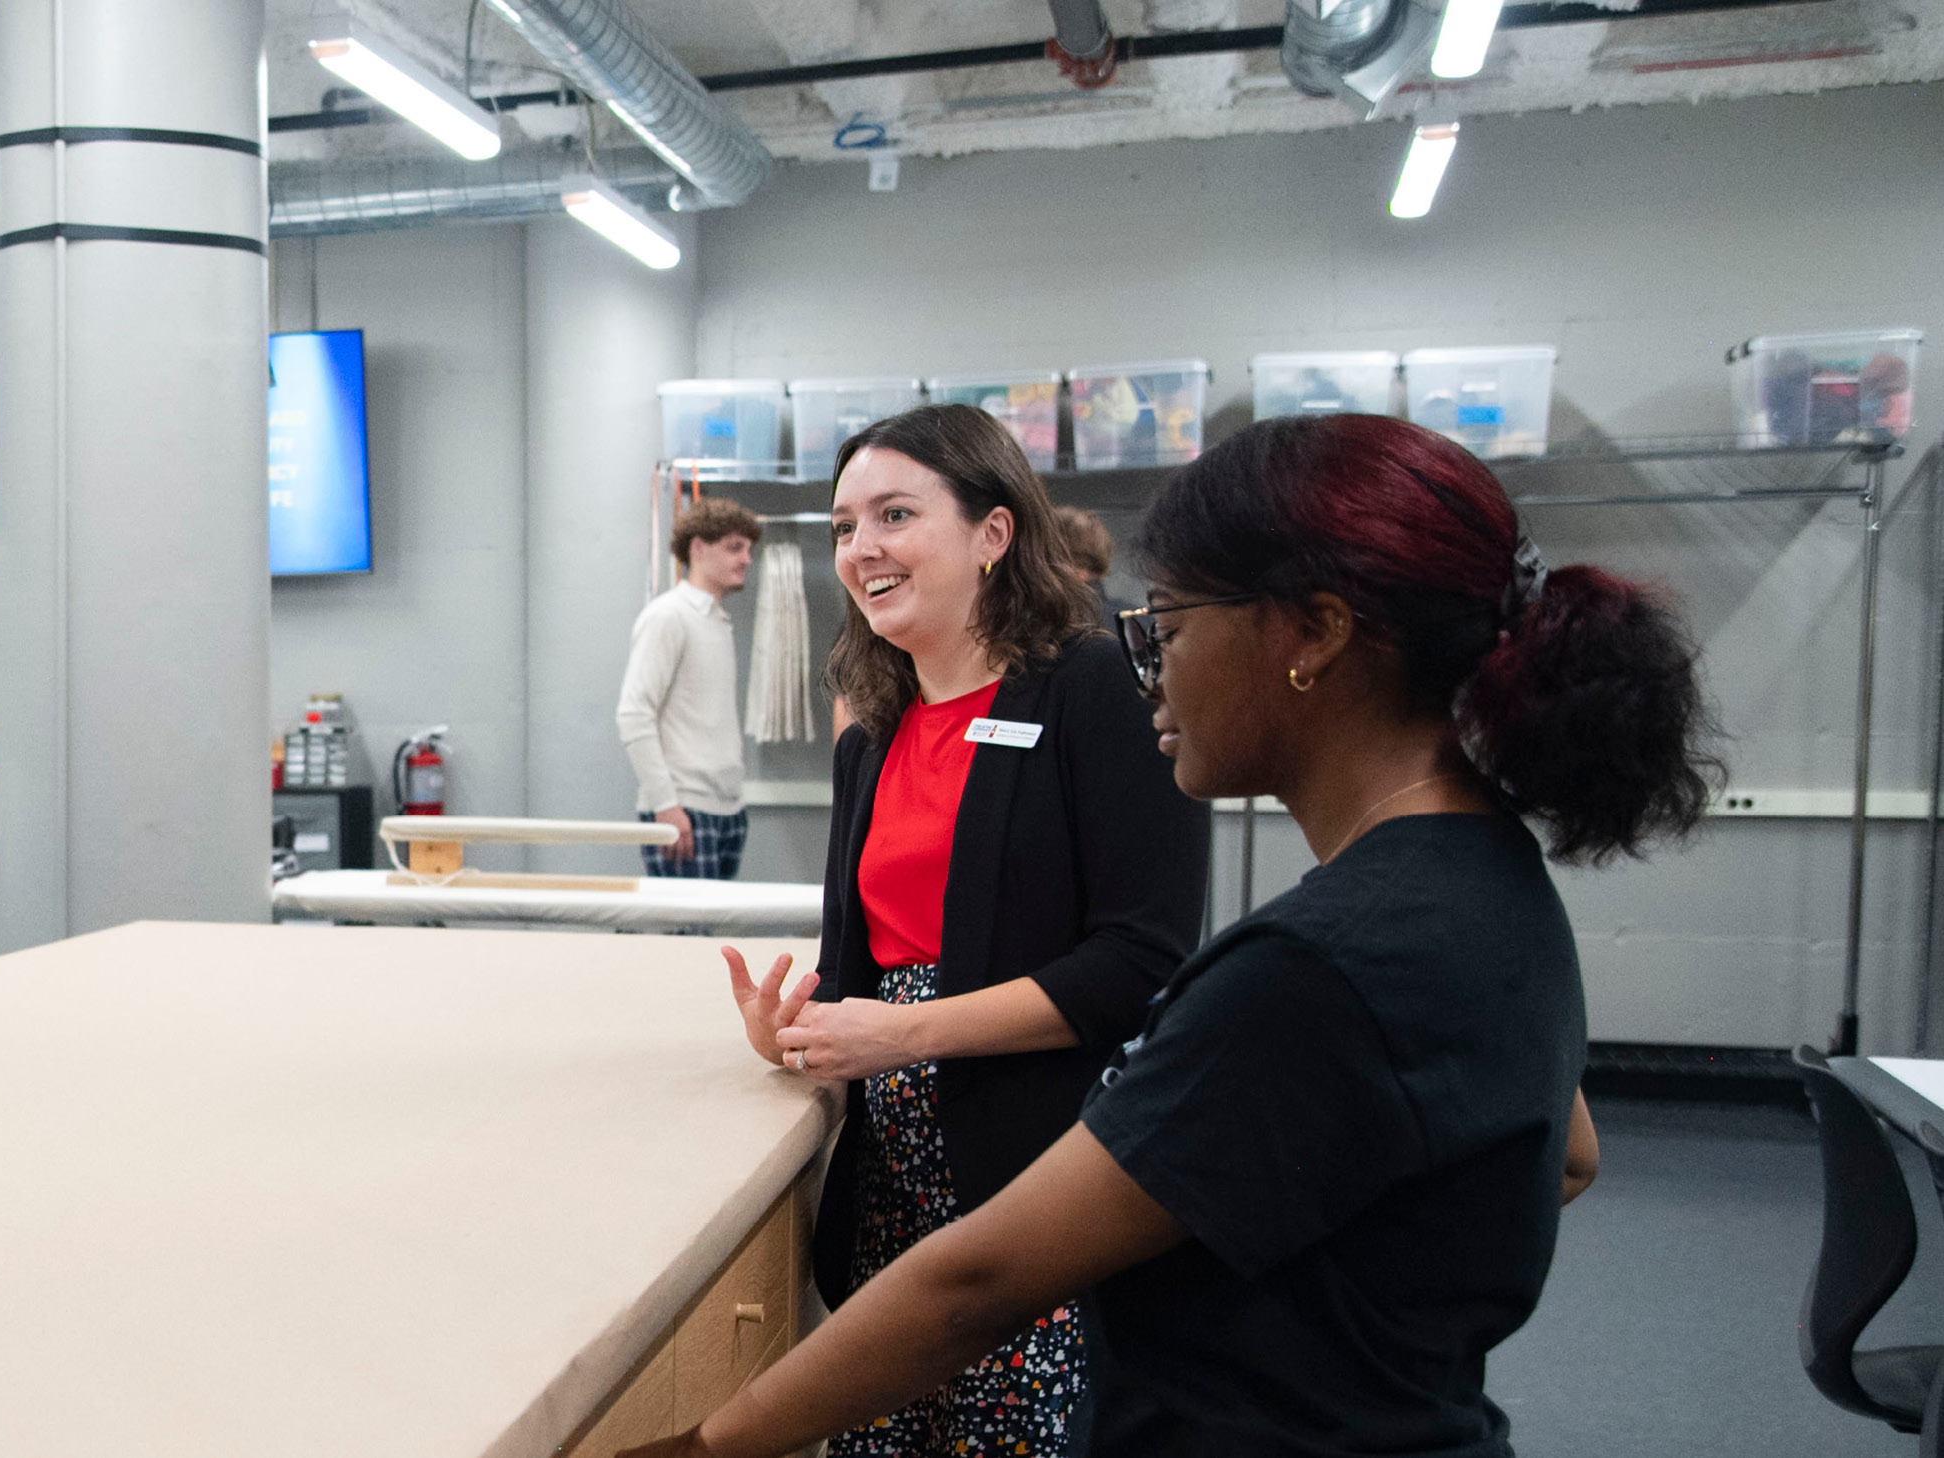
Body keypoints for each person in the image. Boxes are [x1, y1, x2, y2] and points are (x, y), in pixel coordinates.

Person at [641, 411, 1653, 1458]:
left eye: (1167, 627)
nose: (1151, 668)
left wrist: (697, 1449)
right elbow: (1564, 1154)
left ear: (1310, 634)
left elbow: (973, 1287)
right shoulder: (1487, 885)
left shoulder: (1314, 968)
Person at [719, 402, 1208, 1455]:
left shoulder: (1094, 689)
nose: (861, 550)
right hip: (891, 1184)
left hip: (1039, 1179)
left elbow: (1140, 962)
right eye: (844, 526)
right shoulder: (874, 737)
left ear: (993, 533)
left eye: (894, 515)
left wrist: (906, 1033)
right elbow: (857, 975)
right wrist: (801, 1034)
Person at [618, 499, 757, 879]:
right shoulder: (669, 616)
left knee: (708, 937)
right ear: (697, 548)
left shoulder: (716, 622)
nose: (746, 558)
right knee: (686, 938)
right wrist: (666, 805)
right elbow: (633, 715)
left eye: (748, 549)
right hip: (683, 809)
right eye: (734, 547)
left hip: (726, 808)